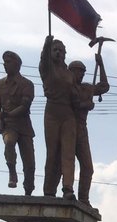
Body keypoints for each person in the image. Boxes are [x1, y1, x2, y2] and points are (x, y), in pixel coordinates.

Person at [69, 52, 109, 205]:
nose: (81, 74)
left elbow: (104, 87)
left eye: (83, 72)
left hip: (82, 130)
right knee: (67, 164)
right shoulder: (65, 87)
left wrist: (101, 63)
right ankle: (68, 192)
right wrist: (86, 104)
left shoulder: (86, 88)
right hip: (68, 128)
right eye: (78, 71)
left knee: (88, 167)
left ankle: (83, 198)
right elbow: (71, 104)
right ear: (70, 71)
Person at [0, 51, 35, 195]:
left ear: (17, 65)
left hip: (24, 126)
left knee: (29, 164)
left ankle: (28, 188)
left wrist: (9, 114)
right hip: (9, 125)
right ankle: (12, 172)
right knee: (9, 142)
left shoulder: (27, 84)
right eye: (4, 62)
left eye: (8, 62)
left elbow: (25, 106)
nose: (5, 64)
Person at [39, 34, 77, 198]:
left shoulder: (69, 74)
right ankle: (49, 190)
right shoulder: (47, 69)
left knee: (68, 153)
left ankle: (67, 188)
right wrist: (46, 45)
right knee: (52, 153)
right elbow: (43, 61)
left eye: (61, 50)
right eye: (55, 50)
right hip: (52, 113)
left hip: (68, 113)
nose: (58, 53)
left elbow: (76, 93)